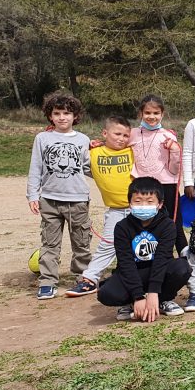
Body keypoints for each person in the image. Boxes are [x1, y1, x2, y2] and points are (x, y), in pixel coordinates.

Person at [96, 177, 192, 321]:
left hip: (158, 270)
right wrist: (138, 296)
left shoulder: (168, 225)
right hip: (135, 272)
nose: (143, 205)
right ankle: (132, 303)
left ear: (160, 204)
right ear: (130, 203)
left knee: (182, 268)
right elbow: (126, 262)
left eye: (149, 201)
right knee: (106, 293)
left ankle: (162, 300)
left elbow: (162, 259)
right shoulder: (122, 227)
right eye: (138, 201)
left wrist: (153, 292)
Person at [27, 91, 92, 300]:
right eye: (57, 113)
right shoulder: (42, 138)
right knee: (49, 243)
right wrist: (32, 195)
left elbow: (89, 168)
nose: (62, 117)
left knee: (81, 242)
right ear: (50, 115)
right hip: (50, 199)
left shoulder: (83, 139)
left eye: (67, 113)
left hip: (78, 199)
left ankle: (83, 277)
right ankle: (47, 281)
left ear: (75, 116)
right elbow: (35, 167)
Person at [65, 116, 132, 297]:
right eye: (117, 134)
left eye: (126, 135)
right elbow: (75, 156)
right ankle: (90, 279)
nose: (121, 139)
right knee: (108, 244)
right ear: (104, 133)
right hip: (116, 210)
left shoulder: (133, 151)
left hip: (140, 209)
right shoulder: (93, 153)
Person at [130, 95, 186, 254]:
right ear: (141, 113)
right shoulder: (132, 133)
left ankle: (185, 259)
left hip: (167, 186)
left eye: (156, 113)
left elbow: (175, 169)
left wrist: (174, 150)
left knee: (174, 223)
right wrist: (97, 144)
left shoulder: (168, 135)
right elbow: (116, 146)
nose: (152, 117)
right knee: (146, 225)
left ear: (162, 114)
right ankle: (148, 258)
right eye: (147, 112)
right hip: (144, 188)